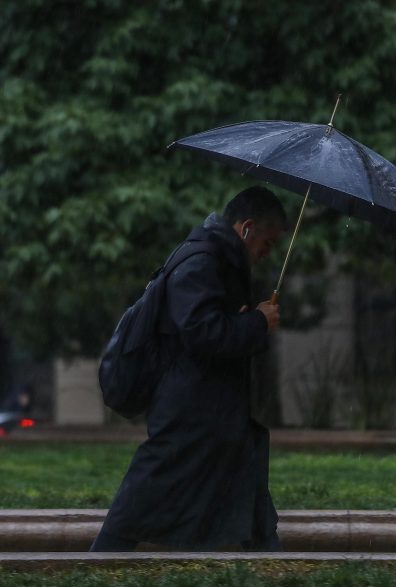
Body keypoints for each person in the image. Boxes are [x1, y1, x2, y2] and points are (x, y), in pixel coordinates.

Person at [90, 186, 286, 552]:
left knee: (250, 501)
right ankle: (94, 568)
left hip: (213, 415)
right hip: (189, 414)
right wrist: (257, 323)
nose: (265, 255)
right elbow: (201, 332)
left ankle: (269, 562)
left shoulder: (217, 261)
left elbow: (205, 326)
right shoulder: (202, 260)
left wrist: (244, 321)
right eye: (267, 243)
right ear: (246, 229)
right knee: (139, 503)